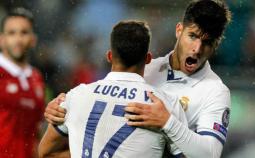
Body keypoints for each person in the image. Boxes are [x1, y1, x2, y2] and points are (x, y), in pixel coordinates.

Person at [45, 0, 232, 157]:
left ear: (216, 45)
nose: (197, 49)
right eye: (192, 36)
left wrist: (168, 123)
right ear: (179, 30)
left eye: (207, 43)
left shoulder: (214, 91)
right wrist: (62, 109)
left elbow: (210, 153)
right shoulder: (144, 68)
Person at [39, 20, 187, 158]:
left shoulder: (76, 96)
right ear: (148, 59)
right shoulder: (165, 105)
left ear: (109, 56)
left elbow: (46, 152)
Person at [0, 8, 45, 158]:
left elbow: (38, 128)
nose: (18, 39)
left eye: (24, 32)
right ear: (1, 39)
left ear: (33, 39)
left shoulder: (36, 77)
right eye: (11, 33)